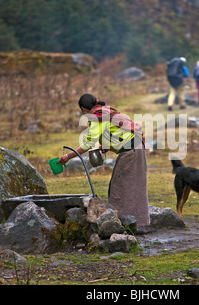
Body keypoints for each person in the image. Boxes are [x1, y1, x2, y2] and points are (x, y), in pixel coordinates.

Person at [58, 94, 150, 227]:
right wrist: (106, 145)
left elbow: (88, 143)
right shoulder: (105, 111)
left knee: (119, 187)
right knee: (134, 186)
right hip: (136, 148)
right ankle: (138, 222)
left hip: (132, 151)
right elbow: (116, 130)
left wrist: (68, 157)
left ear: (83, 109)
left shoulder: (97, 117)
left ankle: (124, 223)